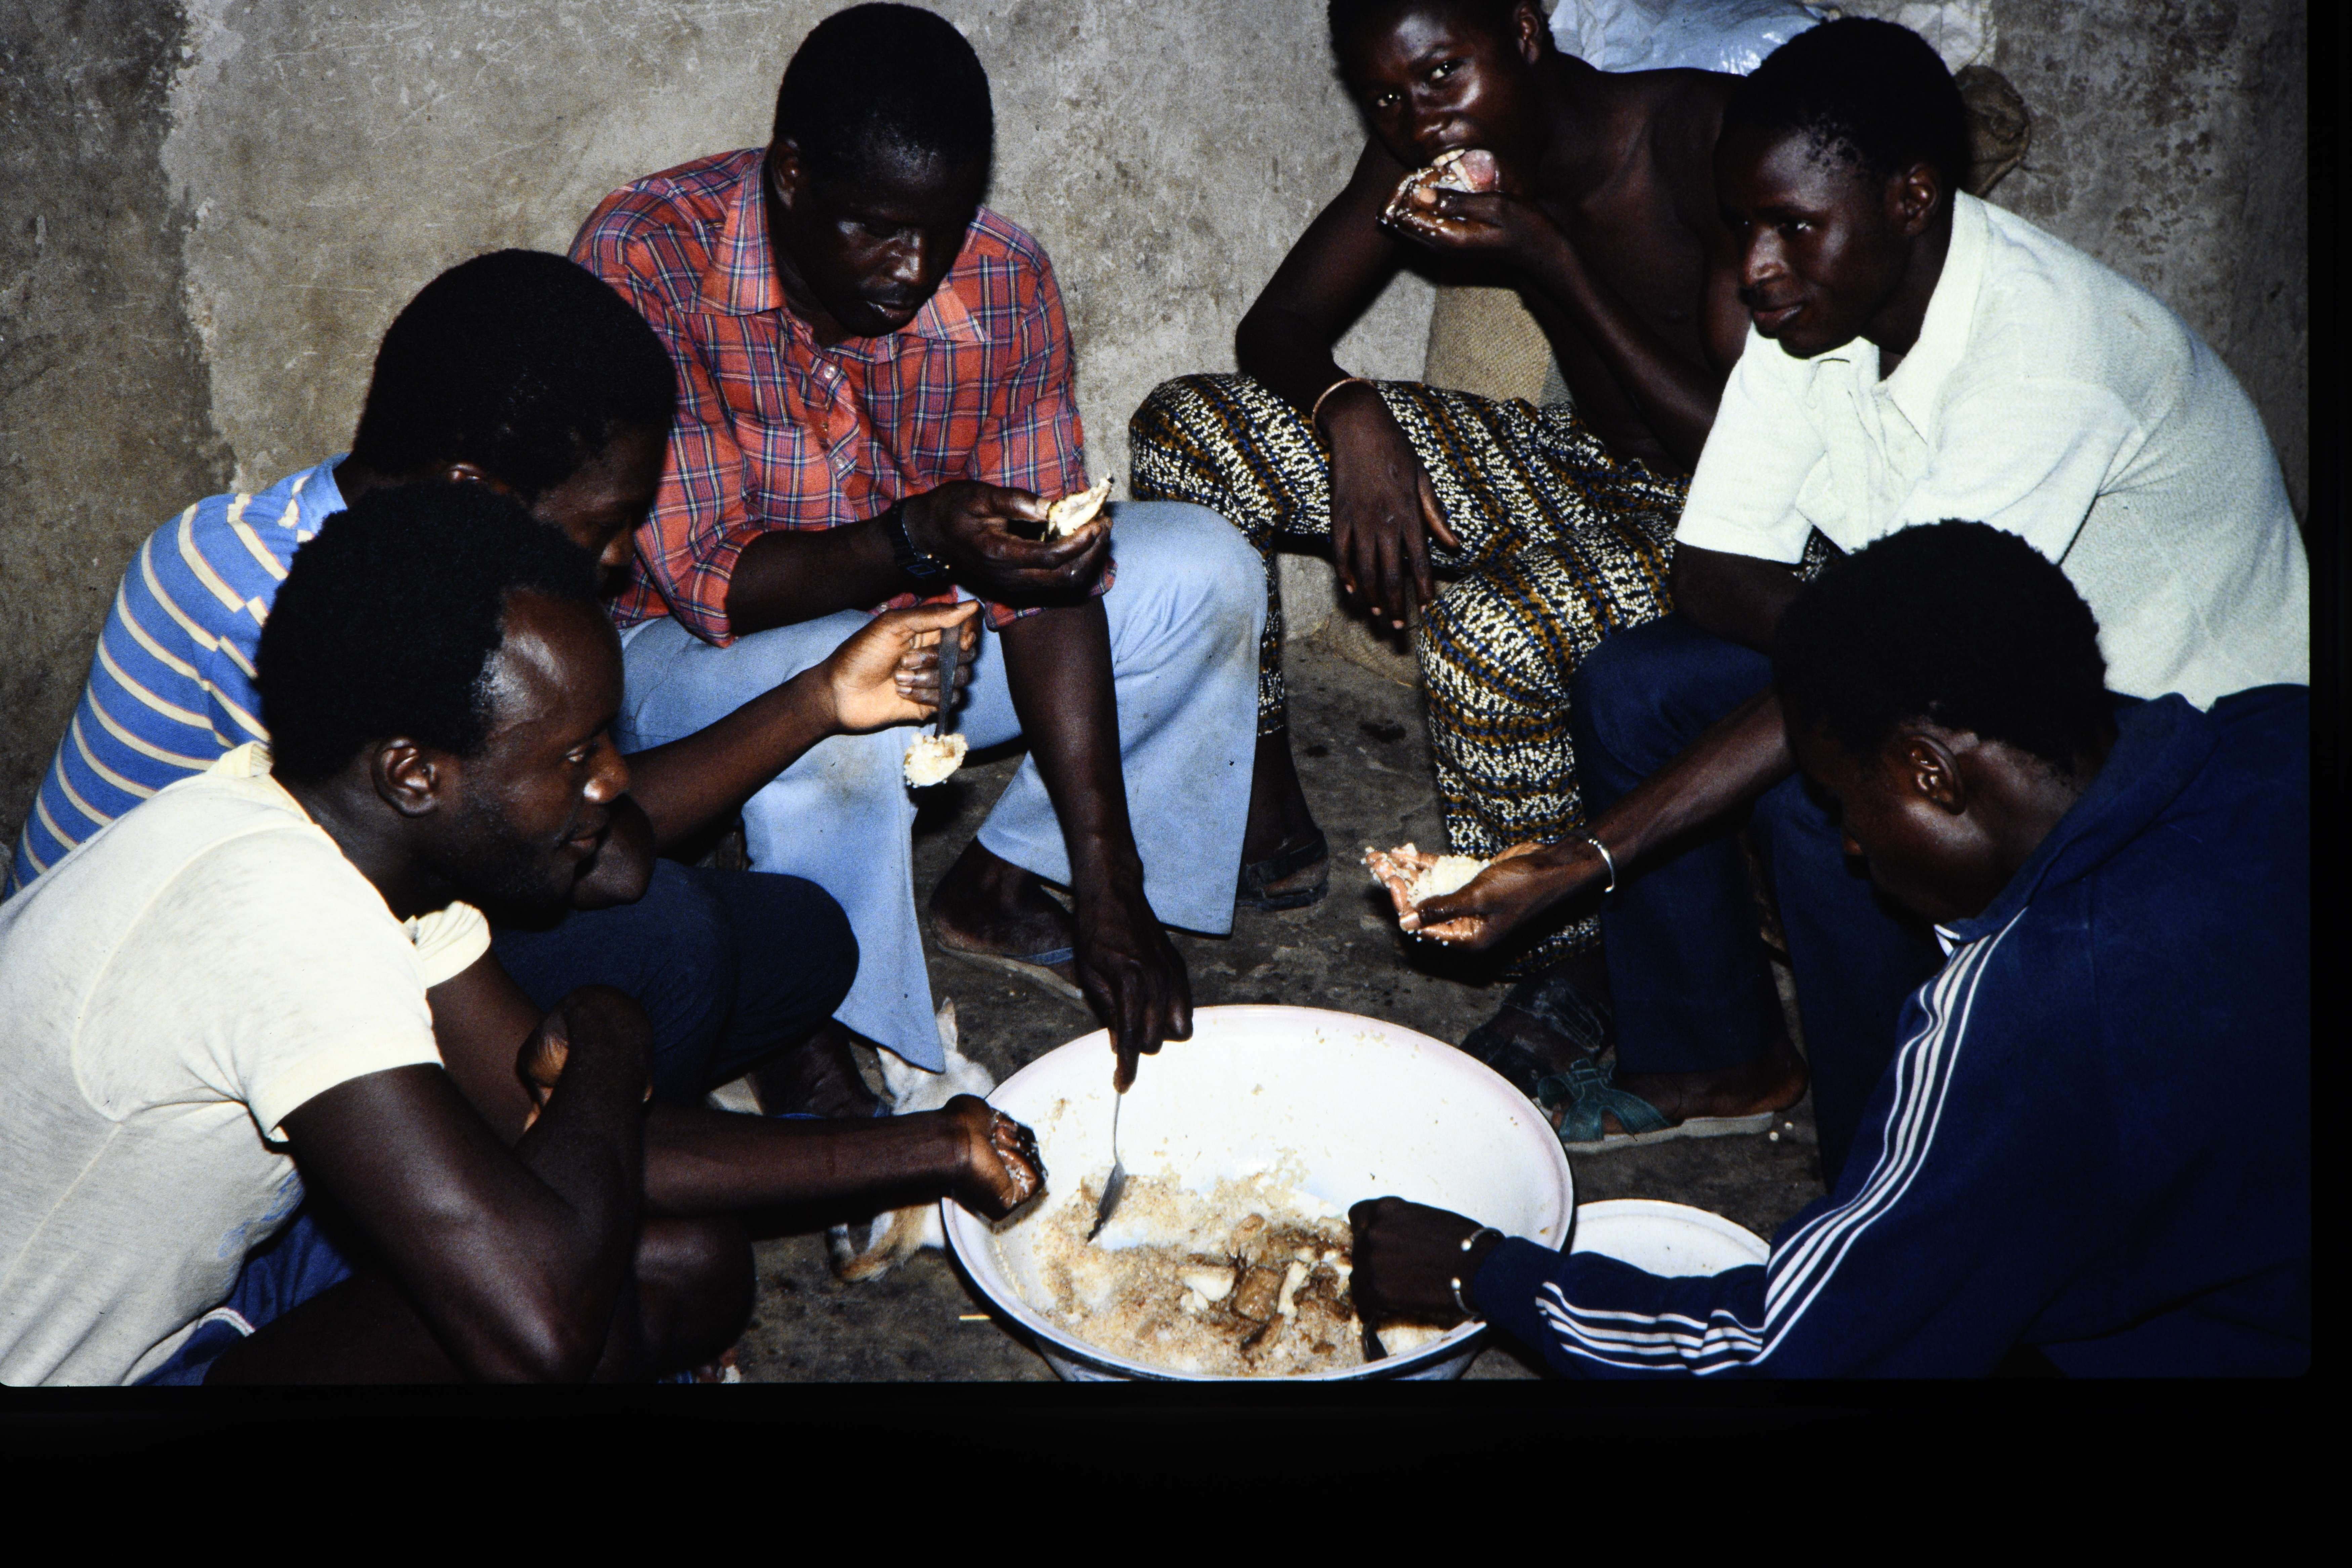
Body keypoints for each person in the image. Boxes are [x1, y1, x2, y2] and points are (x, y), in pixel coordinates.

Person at [1387, 18, 2310, 1182]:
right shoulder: (1816, 309)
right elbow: (1713, 570)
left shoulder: (2044, 360)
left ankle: (1892, 1169)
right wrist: (1862, 650)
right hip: (1993, 671)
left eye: (1791, 227)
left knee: (1833, 795)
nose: (1755, 269)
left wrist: (1585, 856)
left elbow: (1898, 668)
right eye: (1741, 225)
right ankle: (1715, 1059)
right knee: (1639, 685)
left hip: (2188, 749)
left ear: (1912, 199)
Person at [0, 486, 1043, 1385]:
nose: (614, 778)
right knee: (570, 1301)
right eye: (576, 755)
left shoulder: (362, 855)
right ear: (416, 774)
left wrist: (934, 1148)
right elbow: (539, 1330)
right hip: (99, 1371)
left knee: (689, 1263)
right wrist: (609, 1036)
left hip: (219, 1281)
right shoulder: (283, 920)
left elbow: (556, 1123)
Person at [1352, 521, 2309, 1377]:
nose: (1849, 844)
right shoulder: (2277, 733)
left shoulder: (2020, 1011)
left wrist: (1482, 1270)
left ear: (1930, 772)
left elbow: (1789, 1349)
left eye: (1845, 801)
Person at [5, 248, 916, 1119]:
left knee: (798, 941)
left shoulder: (375, 557)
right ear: (471, 491)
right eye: (604, 524)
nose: (620, 558)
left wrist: (820, 698)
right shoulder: (277, 609)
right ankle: (576, 1181)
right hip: (175, 1025)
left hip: (364, 926)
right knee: (668, 939)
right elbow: (612, 863)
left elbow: (595, 829)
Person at [571, 3, 1266, 1088]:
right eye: (877, 229)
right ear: (791, 177)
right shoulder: (650, 255)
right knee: (856, 688)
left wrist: (1108, 876)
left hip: (915, 623)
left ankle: (1004, 877)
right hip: (682, 662)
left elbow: (1046, 580)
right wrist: (921, 536)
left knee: (1207, 572)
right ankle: (829, 1023)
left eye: (941, 229)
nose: (914, 266)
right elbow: (713, 584)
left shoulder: (1001, 274)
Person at [1129, 0, 1758, 1085]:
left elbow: (1748, 450)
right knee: (1189, 430)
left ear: (1524, 32)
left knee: (1484, 634)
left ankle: (1573, 960)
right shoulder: (1427, 144)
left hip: (1734, 523)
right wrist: (1350, 411)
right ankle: (1258, 803)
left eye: (1441, 75)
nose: (1417, 120)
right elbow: (1277, 323)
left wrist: (1553, 259)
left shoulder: (1697, 139)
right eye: (1384, 95)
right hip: (1582, 464)